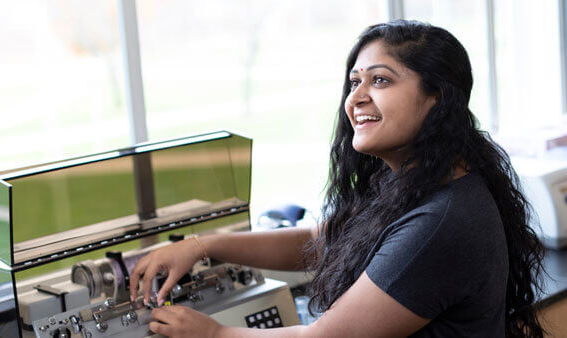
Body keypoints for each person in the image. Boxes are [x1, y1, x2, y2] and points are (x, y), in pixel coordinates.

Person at [129, 20, 545, 337]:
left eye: (380, 80)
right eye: (354, 81)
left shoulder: (441, 222)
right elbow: (327, 238)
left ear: (437, 98)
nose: (356, 98)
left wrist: (215, 333)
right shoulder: (418, 180)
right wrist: (205, 246)